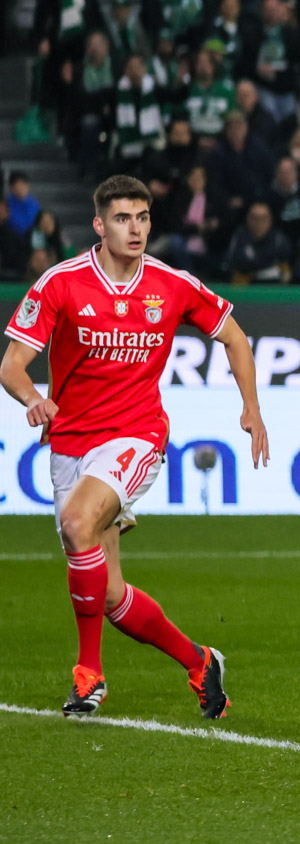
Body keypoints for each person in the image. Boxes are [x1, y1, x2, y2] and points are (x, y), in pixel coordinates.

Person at [0, 175, 269, 717]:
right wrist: (33, 398)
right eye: (123, 218)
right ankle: (199, 661)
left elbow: (235, 336)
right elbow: (11, 365)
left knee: (78, 524)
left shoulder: (171, 284)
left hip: (136, 434)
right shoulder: (61, 283)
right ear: (99, 225)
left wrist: (252, 407)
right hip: (71, 442)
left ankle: (88, 675)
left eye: (143, 217)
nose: (136, 228)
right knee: (108, 594)